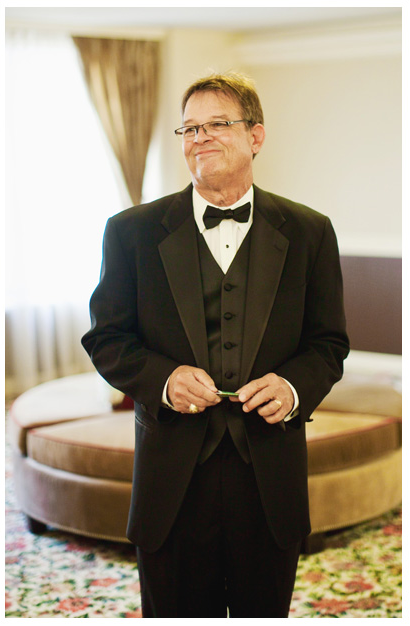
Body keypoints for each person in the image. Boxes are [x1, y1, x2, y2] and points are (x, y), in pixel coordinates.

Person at [81, 73, 349, 617]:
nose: (199, 137)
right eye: (190, 127)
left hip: (269, 473)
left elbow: (328, 342)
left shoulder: (309, 231)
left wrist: (294, 386)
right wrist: (162, 379)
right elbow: (106, 338)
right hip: (172, 478)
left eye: (218, 124)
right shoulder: (130, 232)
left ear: (256, 136)